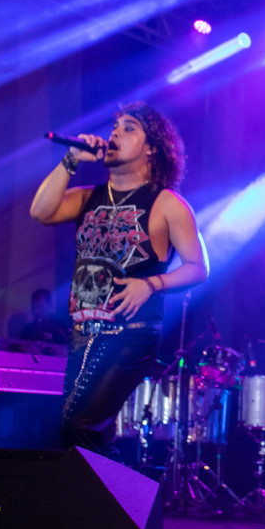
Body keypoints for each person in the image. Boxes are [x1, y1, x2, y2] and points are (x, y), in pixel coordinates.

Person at [30, 101, 209, 458]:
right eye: (114, 128)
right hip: (82, 333)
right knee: (78, 436)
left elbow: (198, 267)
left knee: (78, 424)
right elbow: (40, 211)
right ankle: (114, 490)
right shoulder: (88, 197)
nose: (115, 134)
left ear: (151, 147)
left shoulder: (166, 203)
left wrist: (152, 284)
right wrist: (71, 159)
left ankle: (109, 492)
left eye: (129, 128)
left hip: (129, 333)